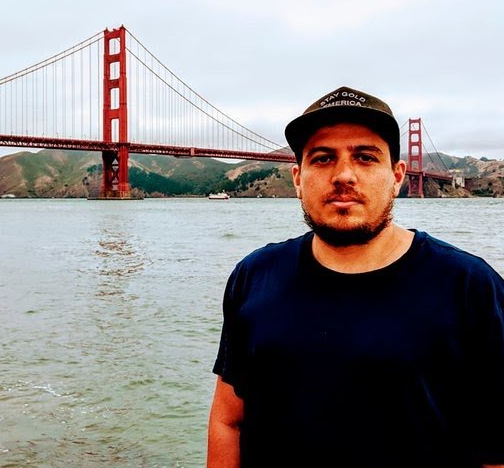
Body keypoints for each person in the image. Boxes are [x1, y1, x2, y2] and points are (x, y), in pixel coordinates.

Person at [207, 86, 504, 468]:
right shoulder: (254, 276)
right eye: (323, 158)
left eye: (365, 157)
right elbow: (228, 420)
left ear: (396, 176)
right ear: (298, 178)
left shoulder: (471, 287)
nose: (344, 175)